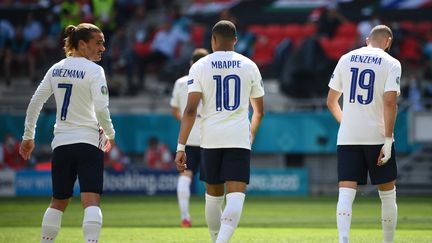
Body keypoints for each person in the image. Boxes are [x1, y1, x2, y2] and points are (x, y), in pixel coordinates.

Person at [19, 23, 115, 243]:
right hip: (89, 142)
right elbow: (101, 108)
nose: (103, 48)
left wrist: (28, 137)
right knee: (91, 200)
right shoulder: (95, 70)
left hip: (61, 143)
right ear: (82, 44)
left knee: (58, 201)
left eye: (103, 43)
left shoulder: (56, 69)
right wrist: (110, 133)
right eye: (98, 43)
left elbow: (35, 103)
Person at [174, 20, 265, 243]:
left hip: (210, 140)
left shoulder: (199, 66)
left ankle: (216, 238)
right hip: (237, 139)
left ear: (213, 40)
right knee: (236, 196)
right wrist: (250, 135)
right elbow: (259, 111)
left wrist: (181, 147)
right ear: (235, 40)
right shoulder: (249, 65)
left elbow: (190, 110)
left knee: (213, 198)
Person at [327, 25, 401, 243]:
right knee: (387, 193)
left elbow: (331, 101)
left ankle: (343, 239)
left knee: (346, 192)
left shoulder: (346, 58)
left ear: (367, 38)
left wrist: (346, 122)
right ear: (388, 41)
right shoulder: (391, 63)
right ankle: (388, 241)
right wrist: (388, 140)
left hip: (348, 137)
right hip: (377, 137)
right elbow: (390, 101)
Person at [170, 48, 209, 228]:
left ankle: (185, 217)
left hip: (188, 138)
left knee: (185, 176)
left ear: (191, 63)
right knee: (214, 181)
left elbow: (175, 110)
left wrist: (188, 122)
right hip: (210, 137)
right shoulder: (211, 80)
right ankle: (219, 220)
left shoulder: (180, 83)